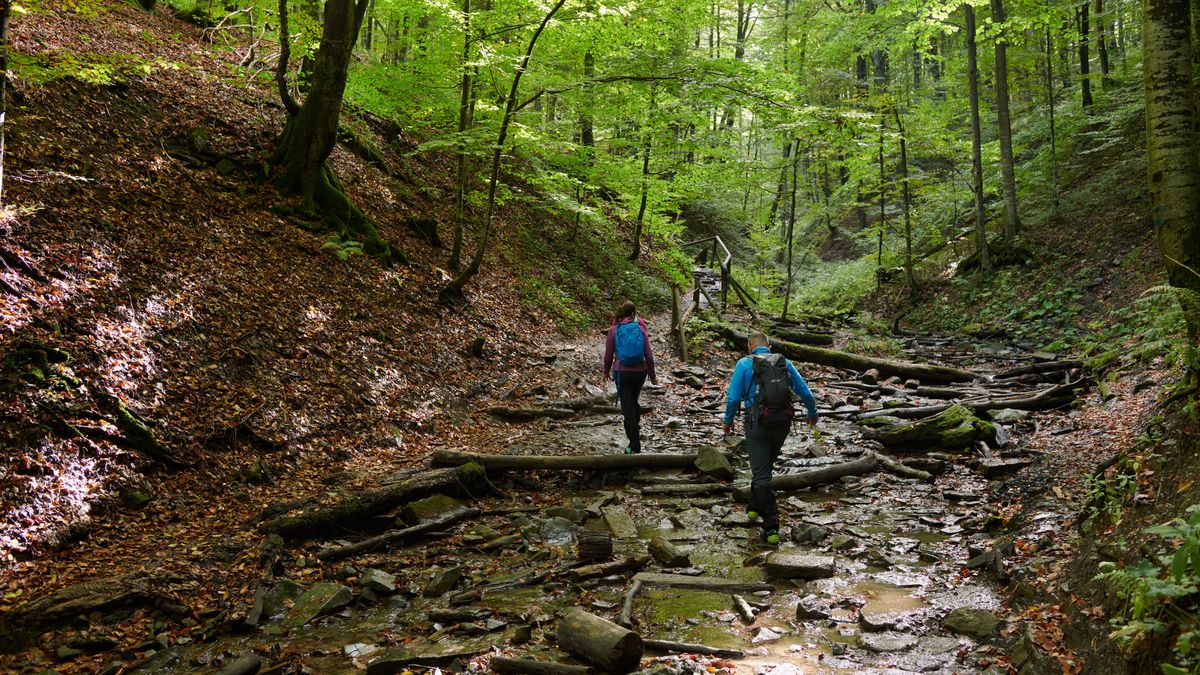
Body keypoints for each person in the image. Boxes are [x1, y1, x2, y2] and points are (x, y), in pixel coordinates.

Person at [722, 330, 818, 545]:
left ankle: (771, 525)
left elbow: (733, 398)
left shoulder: (744, 364)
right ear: (769, 346)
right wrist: (812, 413)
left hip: (756, 424)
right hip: (782, 423)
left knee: (761, 472)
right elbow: (805, 392)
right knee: (764, 467)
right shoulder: (784, 362)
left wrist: (728, 421)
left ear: (749, 346)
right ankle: (754, 506)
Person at [603, 301, 658, 454]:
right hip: (640, 372)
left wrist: (606, 371)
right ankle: (635, 426)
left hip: (622, 372)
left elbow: (608, 355)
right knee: (633, 401)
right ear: (633, 314)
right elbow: (649, 355)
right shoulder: (640, 329)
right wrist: (653, 376)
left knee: (627, 407)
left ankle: (634, 445)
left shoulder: (613, 330)